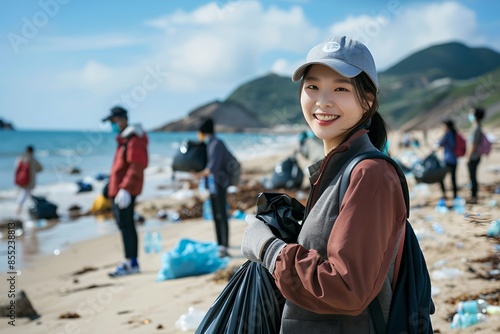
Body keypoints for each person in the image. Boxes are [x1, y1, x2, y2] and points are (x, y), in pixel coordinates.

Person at [241, 36, 416, 332]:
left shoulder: (370, 174)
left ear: (367, 101)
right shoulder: (337, 169)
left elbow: (347, 289)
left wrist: (269, 249)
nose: (323, 101)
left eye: (340, 88)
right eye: (312, 87)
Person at [102, 106, 148, 277]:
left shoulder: (133, 139)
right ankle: (130, 261)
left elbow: (137, 164)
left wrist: (125, 188)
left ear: (122, 119)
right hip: (119, 189)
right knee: (124, 225)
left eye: (113, 121)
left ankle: (131, 262)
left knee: (126, 225)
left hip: (126, 191)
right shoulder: (125, 139)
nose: (112, 125)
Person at [194, 118, 233, 258]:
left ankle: (224, 246)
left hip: (219, 185)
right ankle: (219, 244)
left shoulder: (216, 144)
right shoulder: (211, 143)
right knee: (216, 215)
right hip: (213, 185)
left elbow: (212, 168)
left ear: (203, 131)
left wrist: (198, 175)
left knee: (221, 215)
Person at [15, 145, 43, 216]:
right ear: (32, 151)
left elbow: (16, 169)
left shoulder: (20, 158)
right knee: (26, 194)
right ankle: (20, 208)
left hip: (21, 179)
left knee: (23, 193)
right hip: (29, 181)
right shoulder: (33, 160)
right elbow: (41, 168)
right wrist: (34, 171)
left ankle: (21, 209)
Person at [466, 107, 485, 204]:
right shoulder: (475, 126)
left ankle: (474, 197)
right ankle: (473, 195)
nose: (470, 115)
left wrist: (468, 156)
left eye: (471, 113)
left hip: (474, 156)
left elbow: (473, 143)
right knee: (472, 176)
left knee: (473, 177)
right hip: (474, 156)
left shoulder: (477, 127)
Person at [437, 119, 459, 200]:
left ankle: (444, 194)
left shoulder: (447, 134)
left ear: (446, 126)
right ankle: (455, 195)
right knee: (453, 178)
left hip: (447, 160)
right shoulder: (455, 133)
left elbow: (439, 144)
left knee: (440, 177)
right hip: (455, 159)